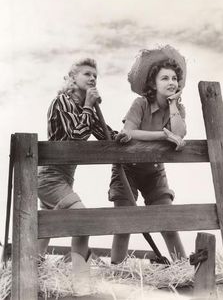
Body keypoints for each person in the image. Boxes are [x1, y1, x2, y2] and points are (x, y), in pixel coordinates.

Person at [37, 58, 129, 295]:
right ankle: (82, 286)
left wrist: (123, 137)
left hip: (65, 178)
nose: (92, 79)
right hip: (50, 177)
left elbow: (104, 134)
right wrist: (89, 104)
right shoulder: (61, 102)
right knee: (83, 221)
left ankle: (32, 275)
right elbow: (75, 138)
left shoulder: (84, 107)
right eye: (87, 74)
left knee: (45, 229)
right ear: (72, 78)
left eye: (95, 76)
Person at [108, 45, 187, 265]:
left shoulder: (178, 108)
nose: (171, 82)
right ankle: (117, 271)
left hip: (154, 170)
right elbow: (129, 132)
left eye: (174, 78)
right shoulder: (140, 103)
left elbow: (179, 134)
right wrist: (163, 136)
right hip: (127, 167)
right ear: (153, 83)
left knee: (167, 222)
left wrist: (172, 105)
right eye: (164, 78)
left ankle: (182, 268)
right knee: (125, 224)